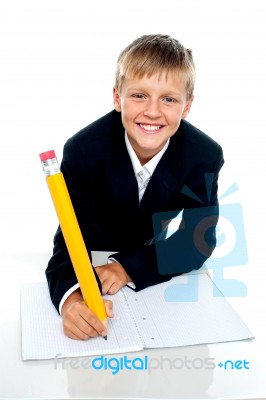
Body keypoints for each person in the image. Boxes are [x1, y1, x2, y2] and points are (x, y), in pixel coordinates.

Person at [45, 34, 224, 340]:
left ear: (187, 106)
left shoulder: (203, 155)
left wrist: (126, 267)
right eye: (139, 95)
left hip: (151, 263)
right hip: (94, 250)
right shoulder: (84, 149)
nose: (152, 112)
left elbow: (198, 240)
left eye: (168, 99)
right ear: (117, 98)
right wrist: (71, 301)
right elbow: (69, 241)